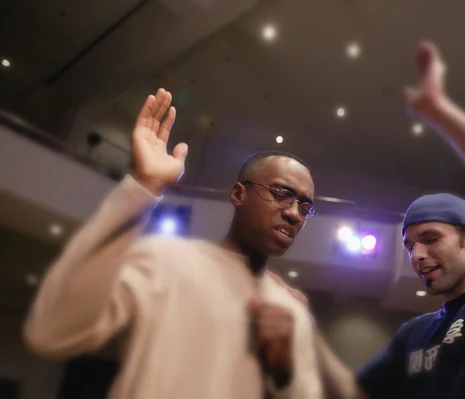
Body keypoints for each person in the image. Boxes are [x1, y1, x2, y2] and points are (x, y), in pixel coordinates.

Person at [273, 41, 465, 399]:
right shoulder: (414, 334)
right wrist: (304, 324)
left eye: (430, 237)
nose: (417, 254)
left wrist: (440, 113)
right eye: (409, 245)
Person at [23, 89, 324, 399]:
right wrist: (143, 185)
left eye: (304, 205)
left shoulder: (289, 307)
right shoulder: (166, 261)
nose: (294, 214)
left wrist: (285, 369)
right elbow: (51, 331)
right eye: (281, 193)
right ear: (238, 194)